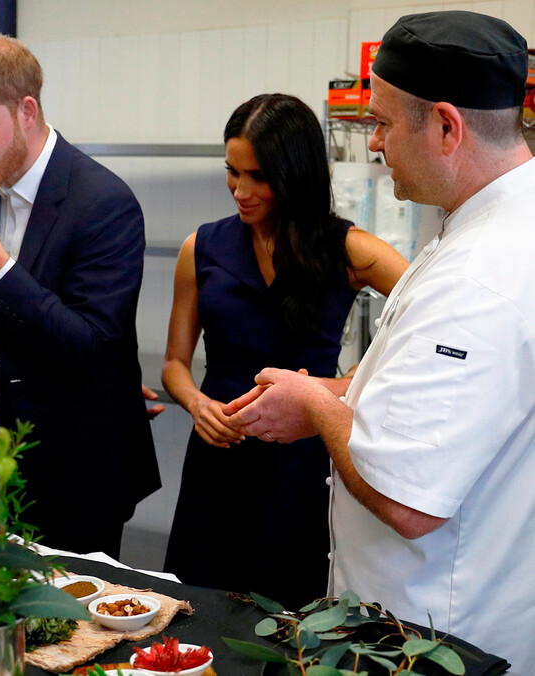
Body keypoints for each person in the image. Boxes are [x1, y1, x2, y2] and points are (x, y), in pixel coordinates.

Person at [223, 11, 535, 667]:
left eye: (384, 125)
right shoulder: (484, 229)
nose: (372, 145)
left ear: (447, 127)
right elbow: (425, 395)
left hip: (433, 632)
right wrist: (328, 389)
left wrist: (316, 405)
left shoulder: (480, 277)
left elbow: (405, 499)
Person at [161, 94, 407, 605]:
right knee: (197, 609)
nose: (241, 191)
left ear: (293, 174)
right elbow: (174, 364)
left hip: (301, 459)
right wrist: (195, 404)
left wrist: (345, 385)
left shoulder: (347, 249)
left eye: (259, 176)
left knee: (292, 615)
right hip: (218, 455)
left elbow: (430, 312)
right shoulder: (200, 248)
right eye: (232, 172)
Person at [0, 33, 159, 558]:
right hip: (23, 454)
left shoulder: (104, 201)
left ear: (26, 110)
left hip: (87, 464)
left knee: (81, 628)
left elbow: (93, 345)